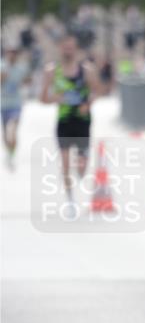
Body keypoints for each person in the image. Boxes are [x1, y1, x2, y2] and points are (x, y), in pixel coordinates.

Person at [40, 35, 101, 208]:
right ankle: (70, 200)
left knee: (81, 167)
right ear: (60, 49)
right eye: (65, 47)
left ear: (76, 49)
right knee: (65, 162)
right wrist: (55, 99)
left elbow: (97, 91)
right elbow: (43, 98)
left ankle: (83, 165)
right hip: (64, 121)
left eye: (71, 47)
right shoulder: (52, 71)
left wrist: (88, 104)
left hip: (82, 121)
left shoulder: (87, 70)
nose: (68, 51)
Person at [1, 46, 30, 169]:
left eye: (14, 53)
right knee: (5, 133)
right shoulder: (2, 66)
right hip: (3, 104)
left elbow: (28, 81)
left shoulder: (21, 68)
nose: (12, 55)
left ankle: (12, 155)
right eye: (10, 53)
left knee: (12, 130)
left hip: (16, 104)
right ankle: (9, 152)